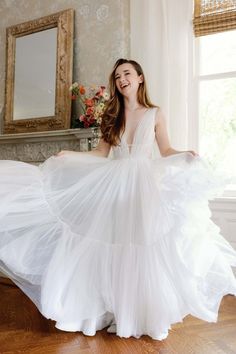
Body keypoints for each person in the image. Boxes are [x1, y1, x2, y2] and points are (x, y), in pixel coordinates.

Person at [0, 58, 236, 341]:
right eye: (117, 76)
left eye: (127, 73)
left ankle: (142, 314)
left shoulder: (155, 113)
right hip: (114, 186)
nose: (122, 79)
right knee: (115, 246)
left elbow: (166, 150)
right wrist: (69, 156)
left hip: (144, 187)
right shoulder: (113, 115)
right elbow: (101, 154)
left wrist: (185, 154)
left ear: (139, 78)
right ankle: (113, 309)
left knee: (143, 245)